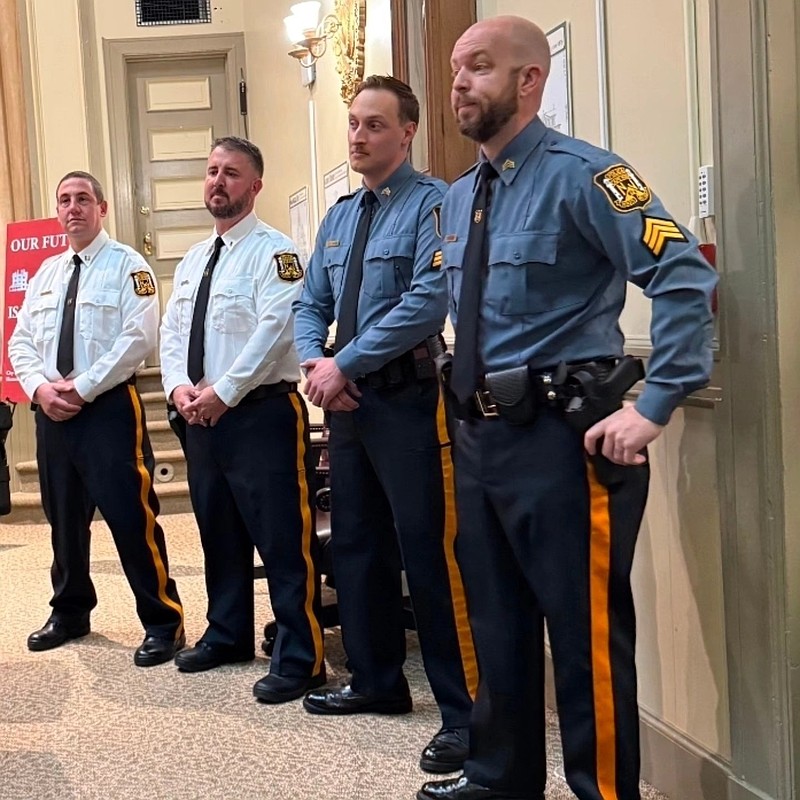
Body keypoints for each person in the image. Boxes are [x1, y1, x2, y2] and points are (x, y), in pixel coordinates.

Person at [417, 16, 718, 800]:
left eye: (478, 67)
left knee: (583, 639)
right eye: (455, 69)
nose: (458, 83)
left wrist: (653, 405)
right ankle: (500, 777)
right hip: (479, 439)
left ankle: (605, 792)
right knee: (497, 624)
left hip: (563, 442)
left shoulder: (587, 176)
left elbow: (685, 278)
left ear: (528, 79)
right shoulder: (456, 200)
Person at [293, 75, 478, 774]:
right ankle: (375, 682)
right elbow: (310, 301)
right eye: (353, 123)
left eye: (375, 124)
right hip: (347, 406)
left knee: (430, 553)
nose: (359, 136)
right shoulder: (340, 217)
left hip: (407, 401)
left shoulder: (434, 205)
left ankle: (465, 713)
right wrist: (319, 363)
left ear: (407, 132)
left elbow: (430, 301)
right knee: (359, 547)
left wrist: (346, 364)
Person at [160, 136, 324, 704]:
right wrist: (179, 387)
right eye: (211, 171)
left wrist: (225, 392)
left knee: (282, 540)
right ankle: (227, 634)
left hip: (259, 416)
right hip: (203, 419)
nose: (217, 182)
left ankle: (302, 656)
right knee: (218, 534)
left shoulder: (275, 254)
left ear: (254, 185)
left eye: (231, 173)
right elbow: (173, 334)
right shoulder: (192, 260)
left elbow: (275, 329)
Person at [8, 171, 184, 667]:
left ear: (102, 208)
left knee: (132, 517)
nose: (73, 208)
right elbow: (21, 342)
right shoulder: (45, 273)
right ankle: (70, 611)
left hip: (107, 409)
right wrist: (40, 389)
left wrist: (82, 388)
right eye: (64, 200)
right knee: (63, 520)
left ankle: (163, 620)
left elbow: (138, 339)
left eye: (83, 199)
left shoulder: (130, 267)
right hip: (51, 413)